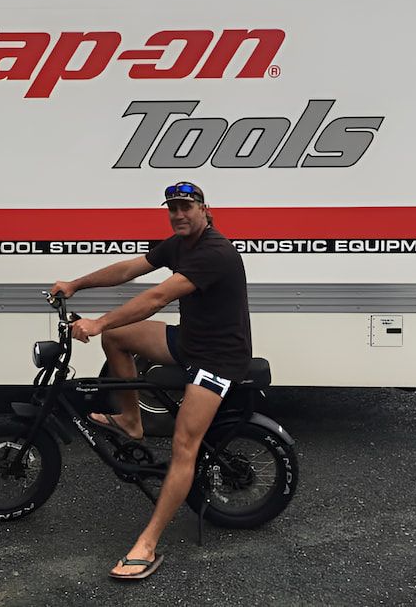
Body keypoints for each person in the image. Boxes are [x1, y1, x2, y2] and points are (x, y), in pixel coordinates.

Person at [50, 181, 252, 580]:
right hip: (189, 341)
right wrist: (76, 284)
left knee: (183, 446)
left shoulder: (214, 251)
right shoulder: (179, 244)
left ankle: (147, 544)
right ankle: (132, 420)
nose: (178, 214)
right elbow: (130, 269)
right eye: (172, 208)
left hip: (219, 358)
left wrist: (98, 320)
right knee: (118, 338)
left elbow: (156, 298)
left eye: (185, 207)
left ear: (204, 209)